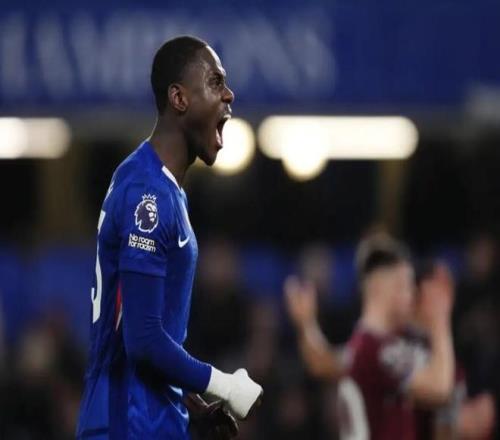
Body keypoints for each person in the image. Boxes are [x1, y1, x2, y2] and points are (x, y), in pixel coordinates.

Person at [77, 36, 262, 440]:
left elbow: (146, 330)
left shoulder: (157, 185)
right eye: (215, 82)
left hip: (146, 420)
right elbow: (143, 339)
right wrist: (223, 385)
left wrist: (191, 404)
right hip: (127, 425)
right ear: (179, 98)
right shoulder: (148, 193)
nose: (229, 94)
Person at [284, 234, 455, 440]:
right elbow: (439, 389)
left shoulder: (362, 347)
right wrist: (439, 319)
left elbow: (321, 362)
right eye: (404, 285)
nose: (411, 295)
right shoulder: (380, 351)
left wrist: (306, 325)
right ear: (380, 289)